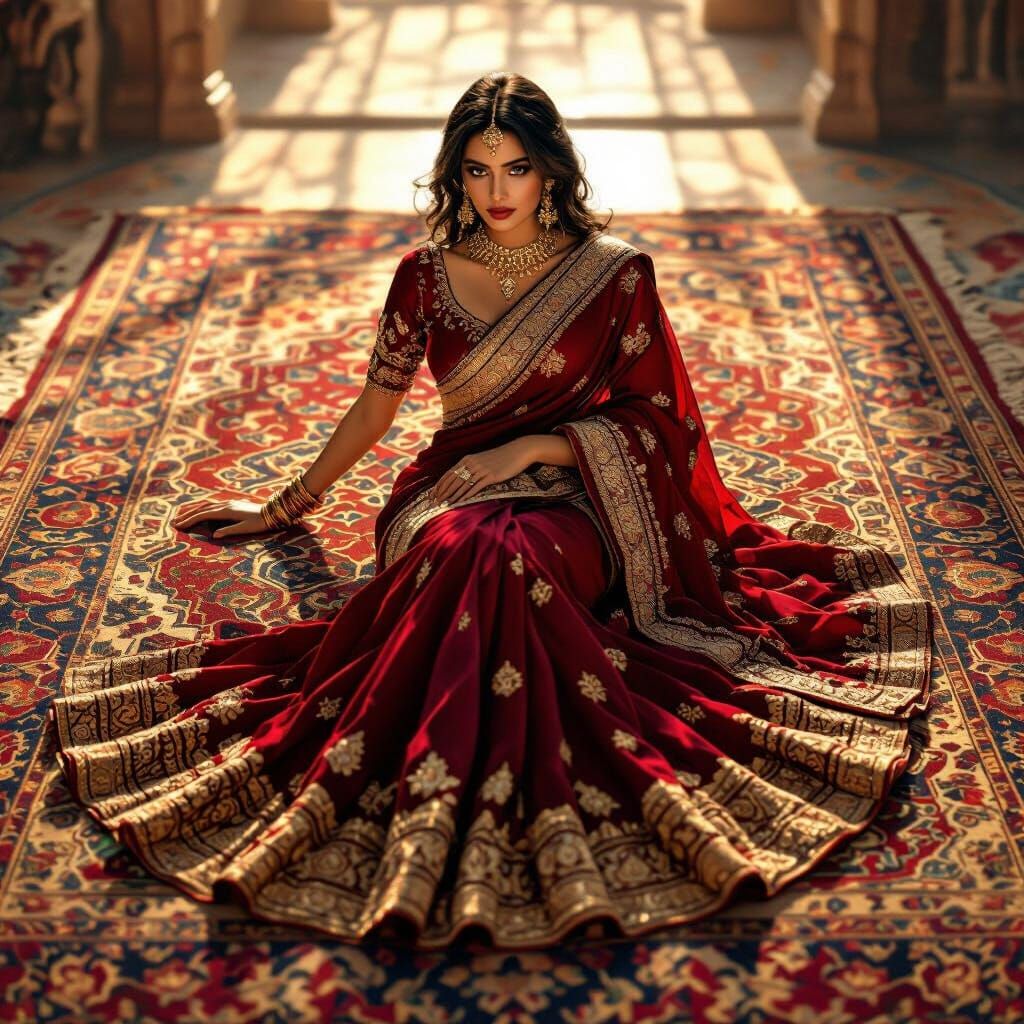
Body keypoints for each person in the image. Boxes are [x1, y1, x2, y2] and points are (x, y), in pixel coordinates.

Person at [49, 72, 935, 951]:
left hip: (583, 501)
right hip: (446, 491)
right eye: (477, 170)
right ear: (455, 173)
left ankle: (452, 778)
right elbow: (375, 407)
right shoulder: (425, 275)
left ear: (551, 170)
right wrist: (289, 502)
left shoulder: (613, 275)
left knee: (498, 559)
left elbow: (656, 423)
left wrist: (534, 451)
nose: (498, 191)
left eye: (516, 168)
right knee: (464, 545)